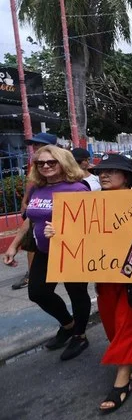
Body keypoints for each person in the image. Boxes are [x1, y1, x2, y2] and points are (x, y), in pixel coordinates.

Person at [43, 154, 132, 412]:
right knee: (113, 325)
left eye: (112, 171)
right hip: (106, 277)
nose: (104, 175)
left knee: (128, 324)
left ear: (126, 177)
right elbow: (78, 234)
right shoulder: (90, 204)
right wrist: (57, 232)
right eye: (102, 171)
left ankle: (121, 381)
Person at [3, 145, 92, 361]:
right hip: (44, 250)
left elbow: (90, 224)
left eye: (51, 162)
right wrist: (14, 245)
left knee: (77, 293)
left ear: (63, 163)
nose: (45, 166)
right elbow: (31, 219)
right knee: (38, 292)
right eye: (40, 163)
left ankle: (80, 335)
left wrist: (64, 231)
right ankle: (68, 325)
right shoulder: (37, 189)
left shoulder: (78, 189)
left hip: (71, 251)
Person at [11, 132, 58, 290]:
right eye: (34, 144)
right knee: (32, 243)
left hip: (65, 247)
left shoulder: (72, 183)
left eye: (39, 144)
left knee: (76, 292)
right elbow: (32, 184)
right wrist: (26, 202)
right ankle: (32, 273)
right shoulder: (37, 165)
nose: (35, 147)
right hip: (38, 224)